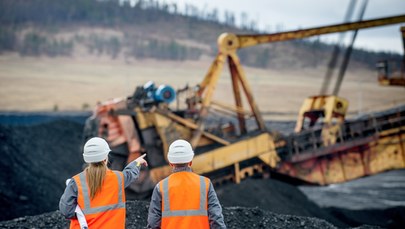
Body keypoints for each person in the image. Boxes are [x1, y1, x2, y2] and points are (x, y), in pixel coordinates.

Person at [59, 137, 148, 229]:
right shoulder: (118, 178)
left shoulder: (76, 182)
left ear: (87, 159)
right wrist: (137, 162)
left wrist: (82, 214)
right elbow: (130, 174)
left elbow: (66, 211)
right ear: (106, 158)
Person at [147, 139, 226, 229]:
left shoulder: (161, 187)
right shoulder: (205, 184)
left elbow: (153, 223)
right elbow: (216, 218)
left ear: (170, 163)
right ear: (190, 162)